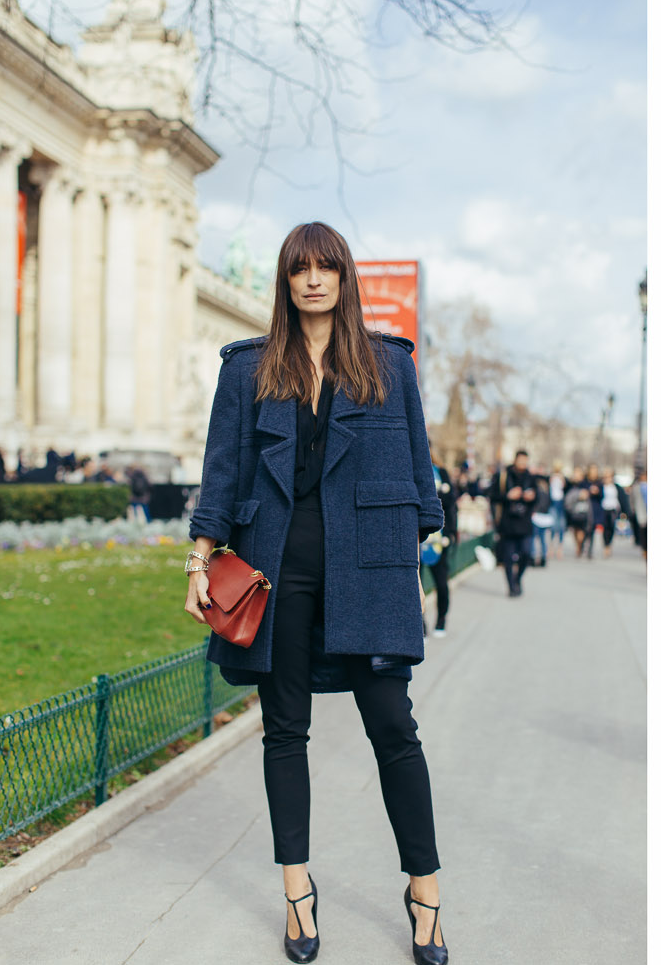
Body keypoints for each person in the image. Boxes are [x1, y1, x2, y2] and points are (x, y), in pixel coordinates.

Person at [185, 221, 449, 965]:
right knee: (284, 731)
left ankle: (424, 890)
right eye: (299, 268)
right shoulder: (248, 370)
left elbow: (420, 472)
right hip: (278, 567)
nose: (312, 280)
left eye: (324, 267)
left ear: (343, 277)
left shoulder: (389, 366)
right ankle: (297, 888)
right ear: (285, 280)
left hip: (367, 567)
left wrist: (418, 551)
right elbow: (222, 473)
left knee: (394, 728)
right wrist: (199, 560)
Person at [489, 449, 537, 597]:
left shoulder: (531, 477)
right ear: (515, 460)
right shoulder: (503, 476)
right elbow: (492, 496)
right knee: (508, 557)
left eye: (525, 460)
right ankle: (511, 586)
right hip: (508, 522)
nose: (523, 463)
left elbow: (539, 498)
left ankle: (517, 578)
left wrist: (532, 497)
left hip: (524, 522)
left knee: (526, 553)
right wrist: (508, 496)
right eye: (520, 460)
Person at [425, 441, 460, 638]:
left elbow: (451, 506)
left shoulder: (441, 473)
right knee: (415, 585)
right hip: (417, 541)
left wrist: (450, 533)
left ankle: (441, 620)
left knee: (441, 583)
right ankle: (420, 625)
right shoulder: (408, 469)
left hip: (439, 538)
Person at [627, 468, 646, 563]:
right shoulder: (636, 487)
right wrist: (632, 510)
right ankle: (645, 550)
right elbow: (632, 500)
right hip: (641, 514)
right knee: (643, 534)